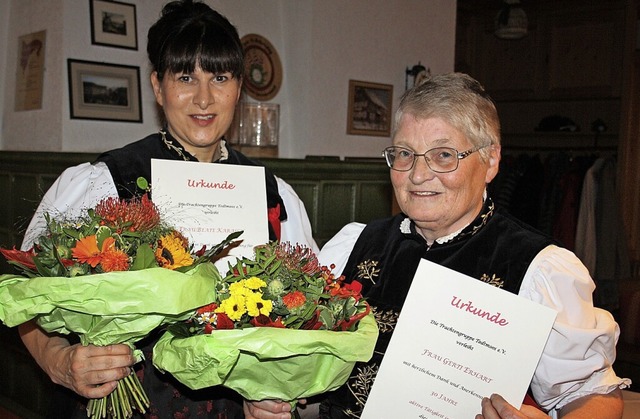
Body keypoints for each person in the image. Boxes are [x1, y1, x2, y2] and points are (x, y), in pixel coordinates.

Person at [245, 72, 630, 419]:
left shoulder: (539, 269)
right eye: (404, 154)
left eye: (444, 155)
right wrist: (277, 403)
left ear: (491, 160)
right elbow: (317, 390)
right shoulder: (354, 245)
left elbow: (592, 396)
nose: (417, 174)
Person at [18, 1, 317, 418]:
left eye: (220, 77)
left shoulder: (274, 196)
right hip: (125, 405)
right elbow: (27, 296)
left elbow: (304, 320)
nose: (204, 98)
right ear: (158, 87)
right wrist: (58, 362)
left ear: (238, 87)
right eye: (185, 77)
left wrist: (275, 390)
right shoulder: (106, 181)